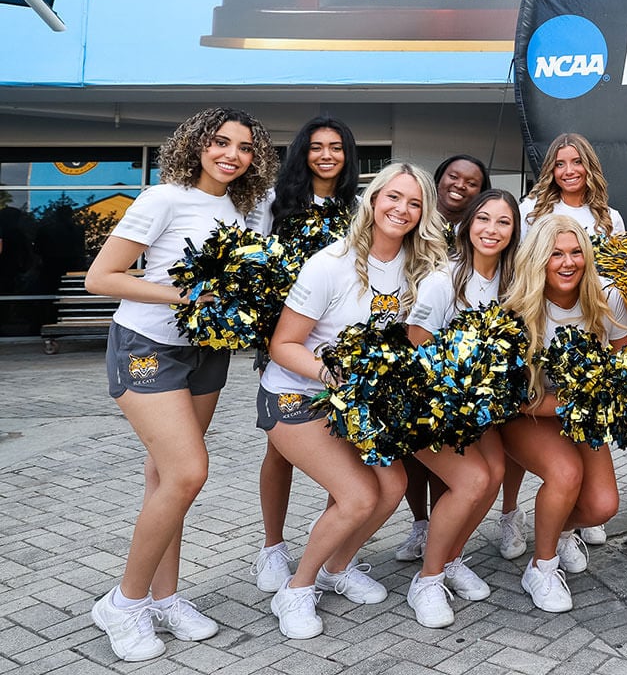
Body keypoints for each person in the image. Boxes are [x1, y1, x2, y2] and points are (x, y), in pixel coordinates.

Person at [85, 107, 277, 662]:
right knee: (190, 471)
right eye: (220, 143)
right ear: (196, 144)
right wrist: (188, 296)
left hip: (206, 352)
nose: (231, 156)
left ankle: (165, 598)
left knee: (166, 476)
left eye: (244, 148)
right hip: (147, 348)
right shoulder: (162, 198)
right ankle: (123, 603)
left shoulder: (243, 211)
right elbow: (103, 277)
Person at [257, 162, 447, 639]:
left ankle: (335, 568)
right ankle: (296, 590)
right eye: (393, 197)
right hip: (296, 396)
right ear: (372, 199)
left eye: (415, 203)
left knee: (394, 484)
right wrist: (332, 375)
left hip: (358, 403)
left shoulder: (419, 267)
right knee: (359, 494)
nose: (402, 210)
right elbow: (283, 344)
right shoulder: (330, 263)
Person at [500, 216, 627, 613]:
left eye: (576, 252)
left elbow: (625, 361)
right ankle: (541, 567)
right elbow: (509, 395)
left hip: (579, 413)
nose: (567, 262)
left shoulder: (606, 296)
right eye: (556, 253)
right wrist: (570, 404)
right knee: (565, 474)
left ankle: (557, 529)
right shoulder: (518, 305)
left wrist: (612, 396)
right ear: (539, 258)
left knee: (602, 506)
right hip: (527, 412)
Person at [399, 188, 519, 627]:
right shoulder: (443, 279)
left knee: (496, 475)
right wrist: (449, 390)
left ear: (513, 231)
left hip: (474, 408)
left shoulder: (510, 281)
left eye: (503, 222)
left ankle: (449, 559)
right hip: (429, 403)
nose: (491, 230)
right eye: (483, 219)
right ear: (466, 225)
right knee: (472, 482)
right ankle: (427, 582)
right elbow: (416, 337)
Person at [250, 115, 360, 593]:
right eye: (317, 147)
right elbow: (253, 259)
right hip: (289, 334)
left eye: (336, 147)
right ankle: (273, 548)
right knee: (281, 448)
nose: (327, 155)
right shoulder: (276, 202)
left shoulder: (357, 207)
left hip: (339, 342)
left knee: (339, 443)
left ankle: (332, 548)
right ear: (303, 152)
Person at [502, 134, 624, 556]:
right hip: (536, 380)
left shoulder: (610, 220)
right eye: (560, 163)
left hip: (582, 353)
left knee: (602, 502)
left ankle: (565, 521)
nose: (569, 170)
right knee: (559, 470)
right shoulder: (531, 212)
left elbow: (621, 339)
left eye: (577, 162)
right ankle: (518, 524)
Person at [396, 154, 492, 563]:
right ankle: (420, 525)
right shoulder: (414, 218)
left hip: (453, 360)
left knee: (448, 457)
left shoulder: (479, 231)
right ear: (438, 179)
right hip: (407, 339)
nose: (461, 185)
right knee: (412, 456)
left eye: (472, 182)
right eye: (454, 176)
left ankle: (441, 530)